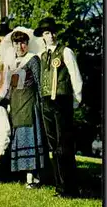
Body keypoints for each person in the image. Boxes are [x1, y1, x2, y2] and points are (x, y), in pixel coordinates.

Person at [34, 17, 83, 197]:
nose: (51, 35)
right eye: (47, 33)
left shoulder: (66, 51)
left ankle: (70, 188)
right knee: (53, 145)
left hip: (62, 100)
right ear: (43, 36)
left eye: (53, 32)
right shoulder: (42, 55)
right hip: (46, 101)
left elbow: (75, 77)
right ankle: (59, 186)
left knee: (64, 146)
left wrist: (76, 101)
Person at [3, 30, 47, 189]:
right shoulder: (12, 62)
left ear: (27, 44)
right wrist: (6, 103)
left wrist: (43, 105)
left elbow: (40, 84)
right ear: (13, 45)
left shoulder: (33, 60)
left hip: (29, 104)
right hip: (16, 105)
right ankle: (26, 175)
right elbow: (9, 87)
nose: (20, 46)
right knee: (20, 138)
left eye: (23, 43)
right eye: (17, 43)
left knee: (30, 137)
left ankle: (33, 177)